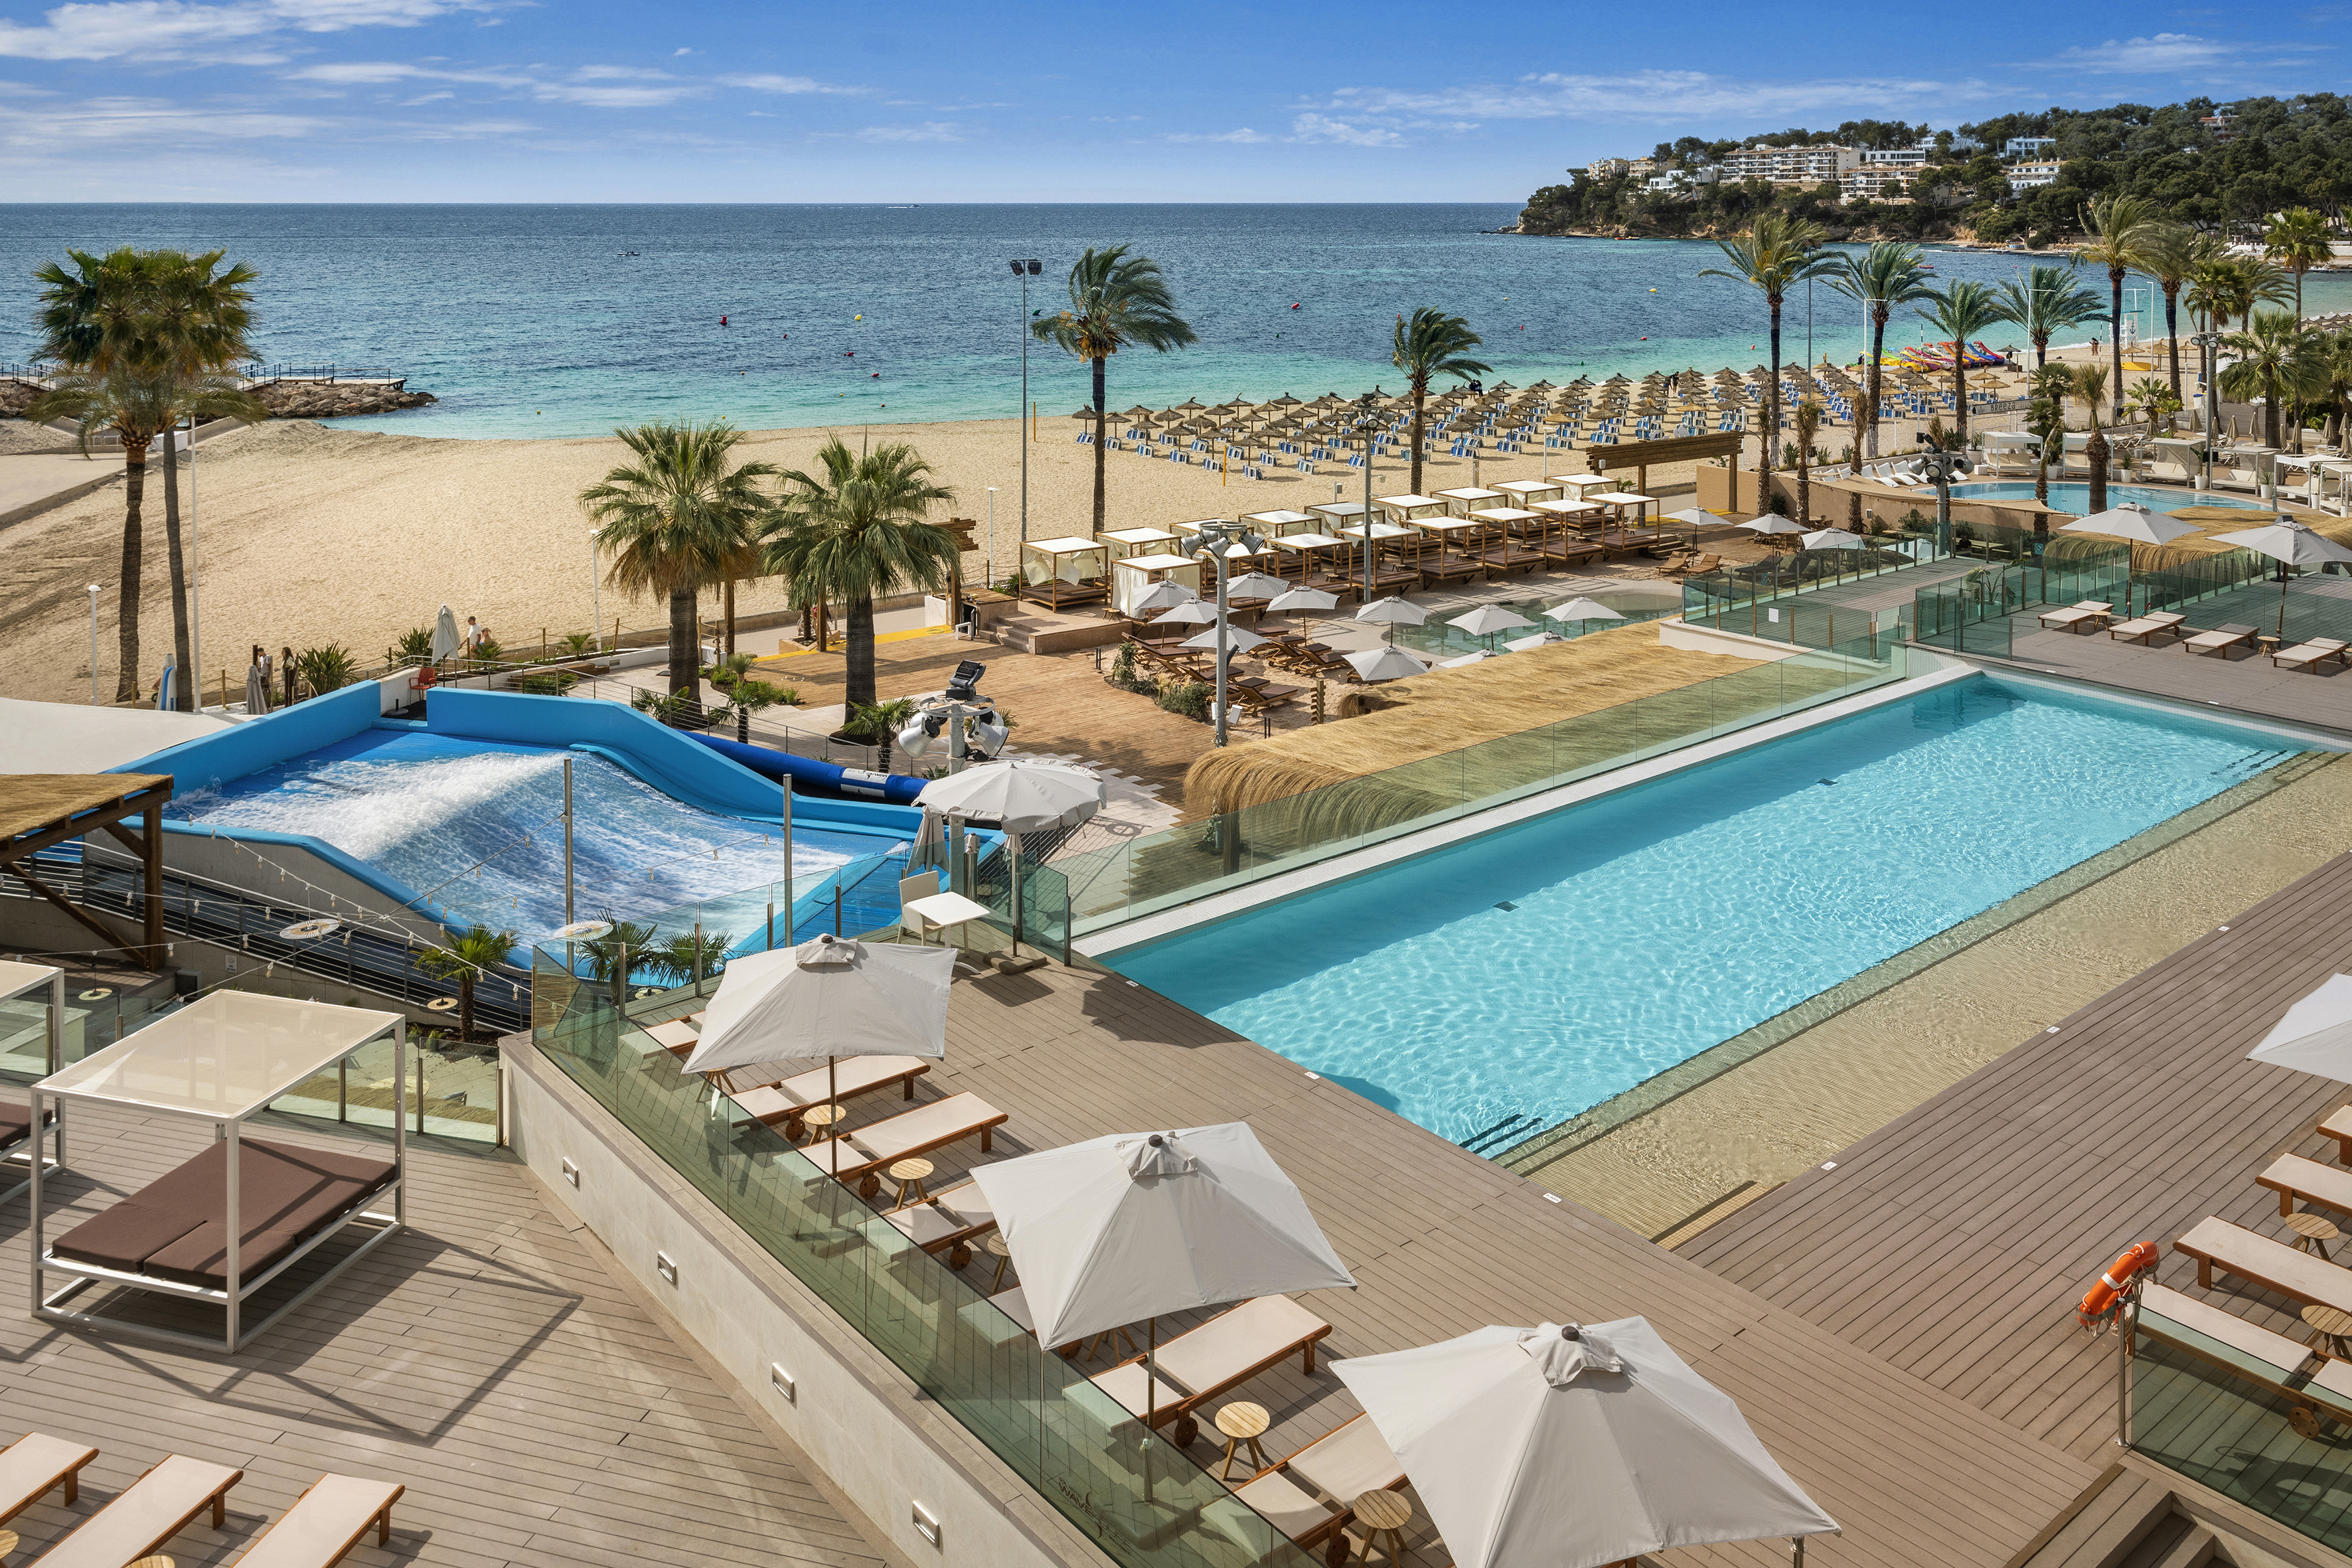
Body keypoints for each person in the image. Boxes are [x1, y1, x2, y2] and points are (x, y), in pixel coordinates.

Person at [245, 645, 272, 716]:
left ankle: (269, 702)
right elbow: (261, 667)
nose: (258, 655)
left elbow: (269, 668)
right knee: (262, 689)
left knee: (266, 689)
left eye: (259, 653)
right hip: (262, 675)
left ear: (261, 652)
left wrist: (268, 678)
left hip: (265, 675)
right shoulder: (261, 659)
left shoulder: (268, 658)